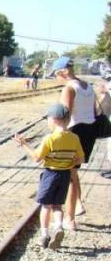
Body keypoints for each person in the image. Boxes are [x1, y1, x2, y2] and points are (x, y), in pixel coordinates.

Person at [13, 103, 84, 249]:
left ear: (53, 120)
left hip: (50, 174)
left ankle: (44, 235)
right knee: (57, 205)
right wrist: (68, 162)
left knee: (46, 206)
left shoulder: (50, 139)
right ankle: (58, 227)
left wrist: (24, 144)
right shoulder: (74, 138)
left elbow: (36, 158)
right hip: (65, 175)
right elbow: (81, 158)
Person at [51, 56, 96, 230]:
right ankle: (78, 204)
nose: (55, 78)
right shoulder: (87, 86)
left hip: (74, 132)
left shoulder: (69, 89)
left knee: (68, 176)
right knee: (73, 171)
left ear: (62, 72)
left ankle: (69, 220)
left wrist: (57, 133)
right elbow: (92, 111)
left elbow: (64, 114)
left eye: (55, 74)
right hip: (88, 133)